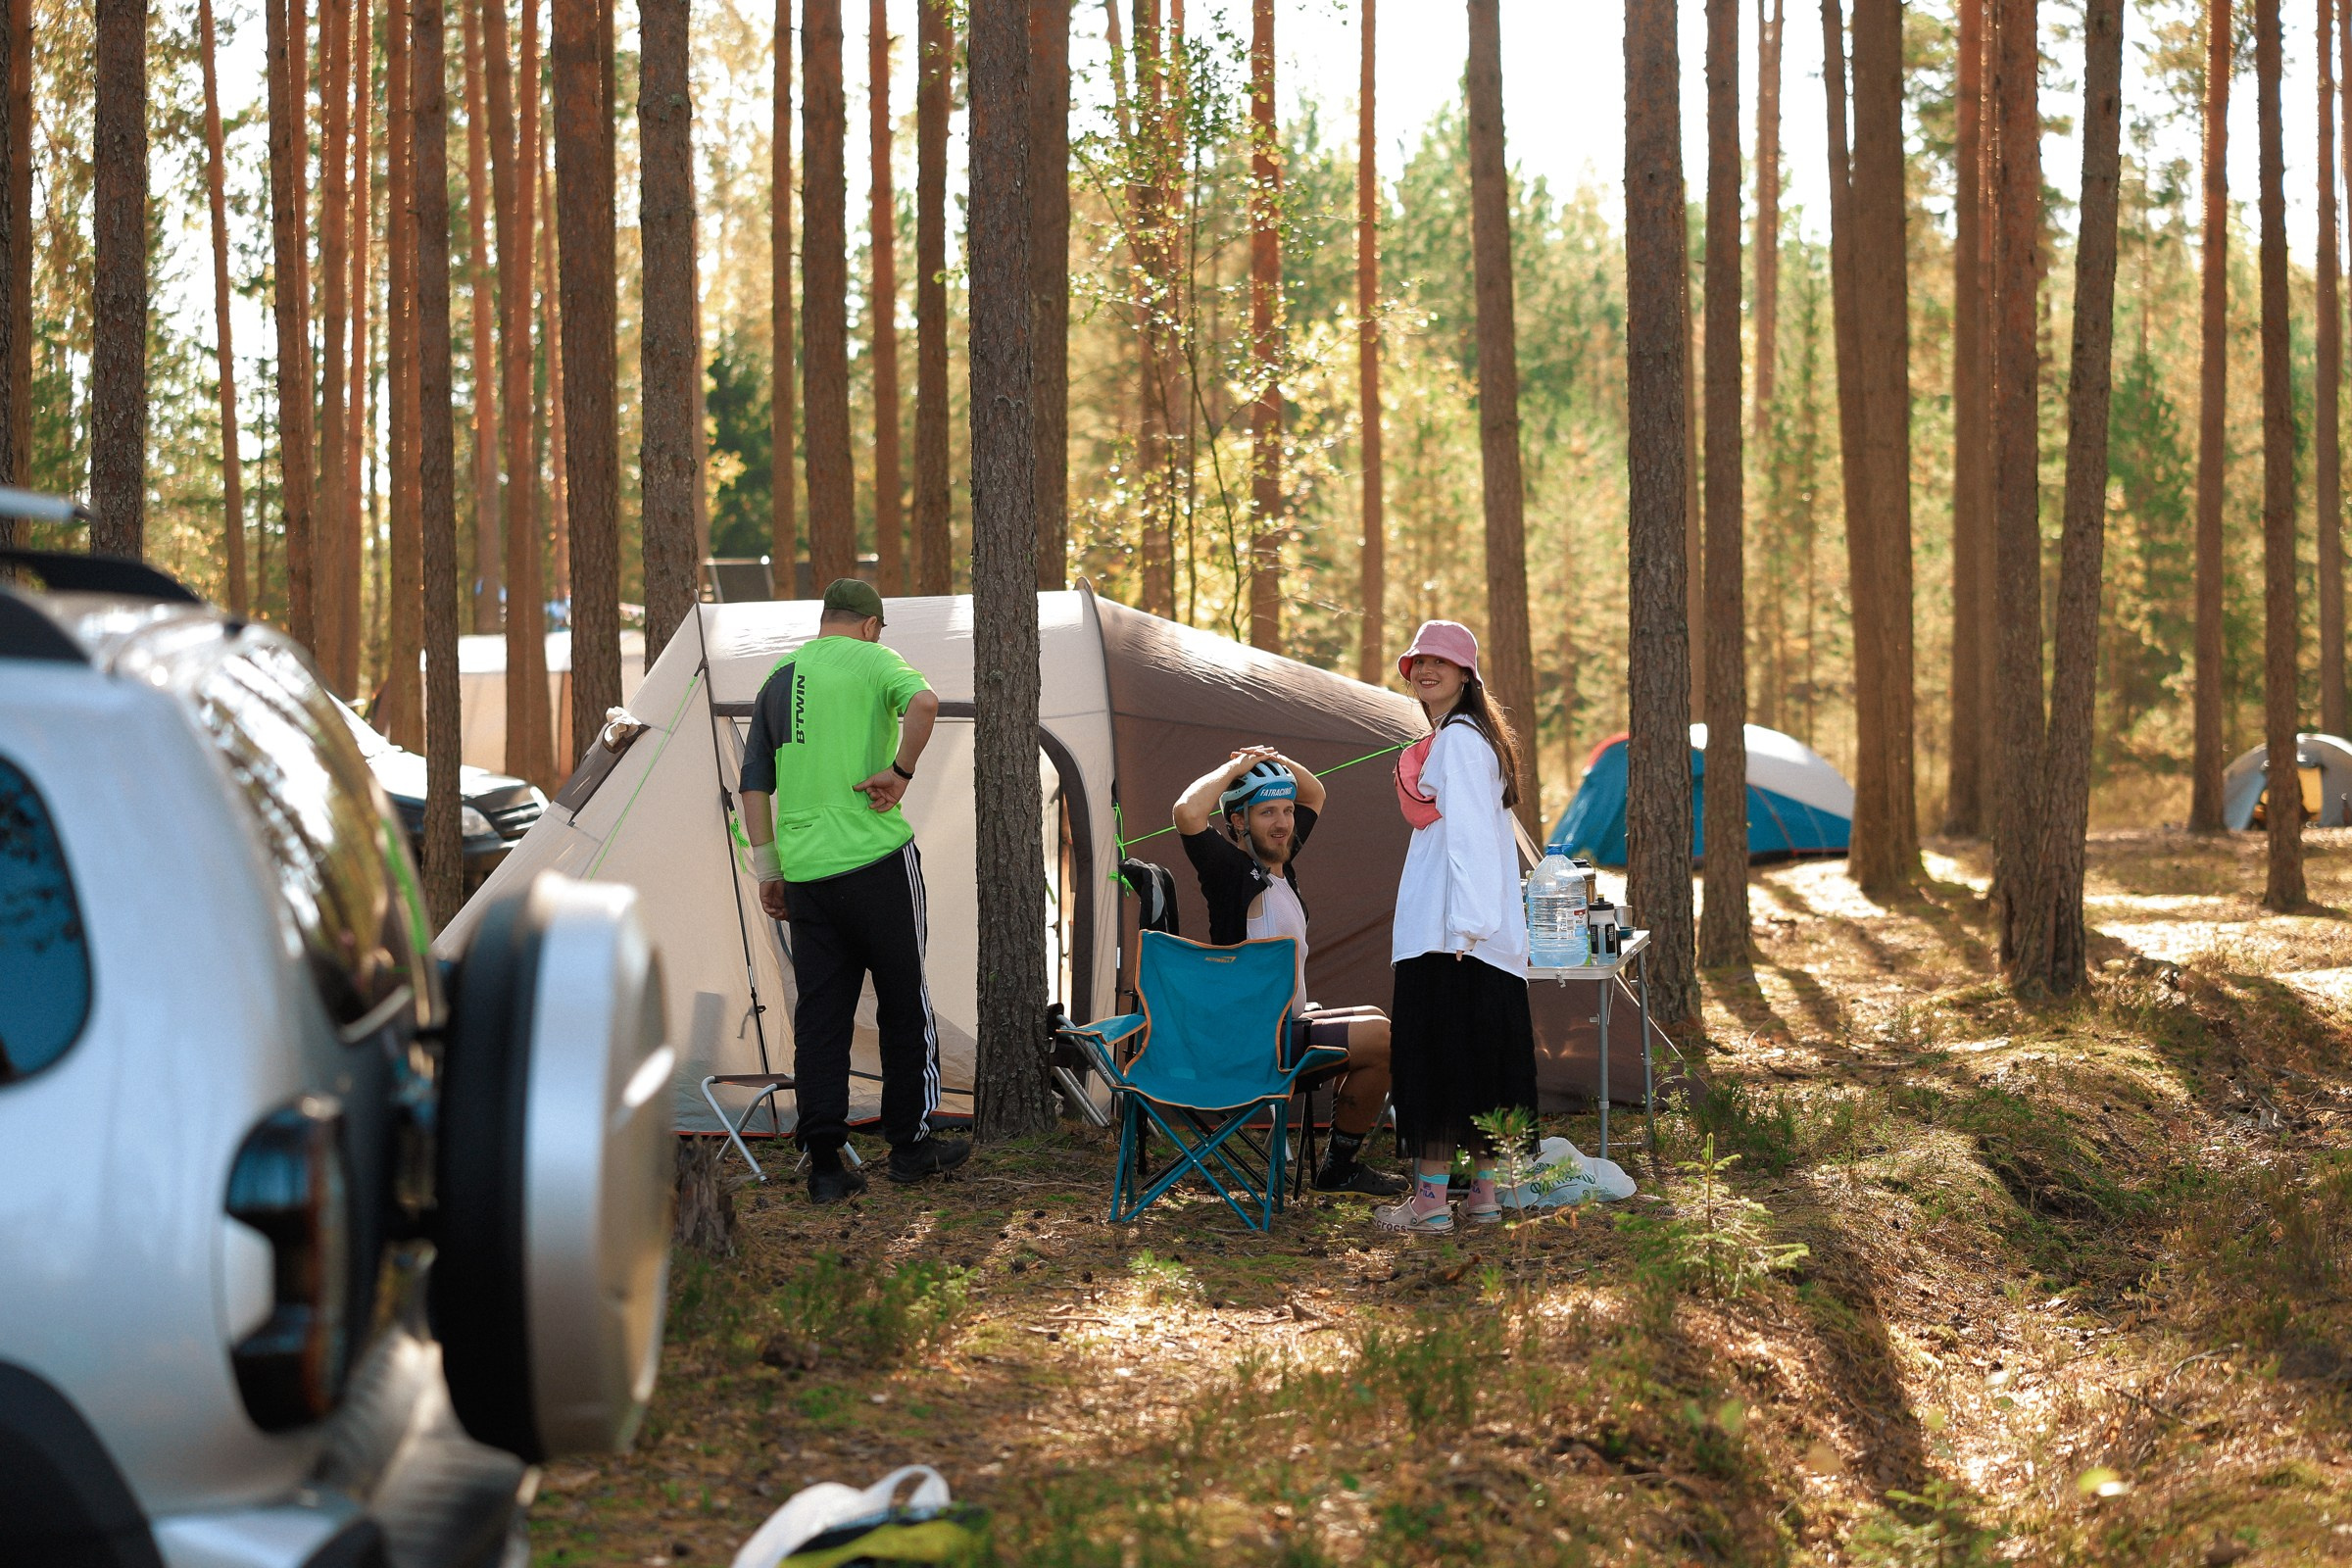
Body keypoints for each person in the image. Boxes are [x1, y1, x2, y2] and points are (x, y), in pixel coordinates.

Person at [739, 579, 970, 1203]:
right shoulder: (875, 660)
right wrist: (900, 773)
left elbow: (753, 786)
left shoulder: (778, 680)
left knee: (821, 1015)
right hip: (876, 859)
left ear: (824, 622)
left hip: (807, 873)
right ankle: (910, 1147)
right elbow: (924, 704)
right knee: (903, 1000)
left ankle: (825, 1165)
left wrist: (769, 872)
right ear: (870, 626)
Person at [1171, 748, 1406, 1198]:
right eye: (1266, 813)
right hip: (1254, 1044)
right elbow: (1186, 812)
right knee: (1382, 1040)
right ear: (1239, 822)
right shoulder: (1232, 872)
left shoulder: (1280, 864)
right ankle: (1340, 1168)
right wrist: (1236, 768)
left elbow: (1315, 792)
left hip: (1284, 1029)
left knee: (1377, 1021)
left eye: (1285, 810)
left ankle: (1341, 1164)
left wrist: (1273, 760)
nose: (1282, 823)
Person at [1377, 619, 1539, 1234]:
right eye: (1418, 662)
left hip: (1450, 936)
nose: (1425, 671)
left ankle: (1428, 1203)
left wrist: (1467, 928)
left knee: (1437, 1062)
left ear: (1467, 674)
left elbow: (1468, 838)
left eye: (1440, 663)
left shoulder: (1460, 740)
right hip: (1476, 938)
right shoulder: (1468, 737)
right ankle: (1484, 1197)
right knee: (1483, 1062)